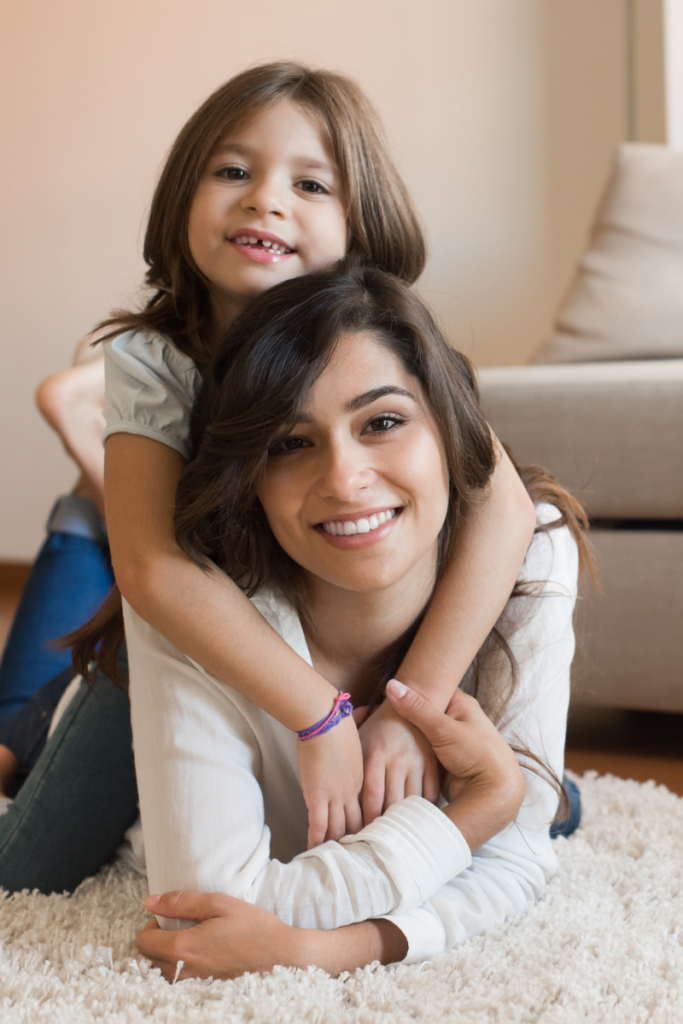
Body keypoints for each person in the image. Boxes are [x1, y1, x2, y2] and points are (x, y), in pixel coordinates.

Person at [0, 62, 562, 893]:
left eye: (309, 183)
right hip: (180, 642)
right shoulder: (155, 361)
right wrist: (323, 717)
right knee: (26, 863)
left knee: (536, 804)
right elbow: (155, 573)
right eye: (233, 171)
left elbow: (504, 510)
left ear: (359, 228)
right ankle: (47, 669)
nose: (266, 199)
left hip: (320, 630)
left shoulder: (385, 336)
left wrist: (417, 712)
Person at [114, 259, 589, 979]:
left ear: (450, 429)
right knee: (37, 843)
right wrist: (477, 813)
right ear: (251, 479)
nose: (343, 479)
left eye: (384, 422)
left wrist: (327, 949)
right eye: (289, 443)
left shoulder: (533, 556)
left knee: (550, 810)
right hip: (105, 700)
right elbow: (200, 916)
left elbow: (515, 866)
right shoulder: (193, 595)